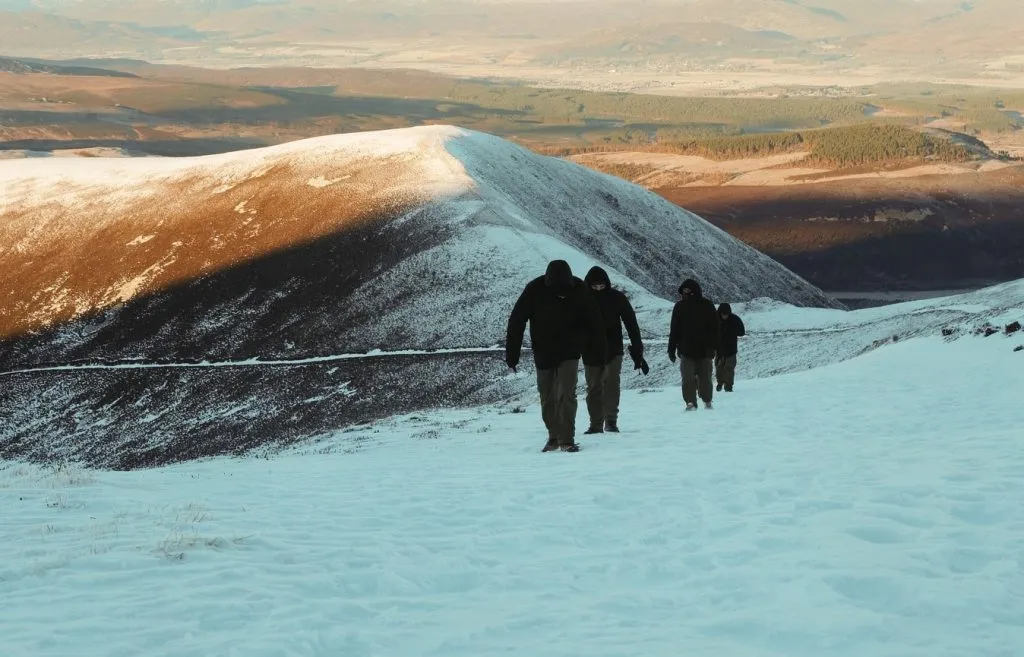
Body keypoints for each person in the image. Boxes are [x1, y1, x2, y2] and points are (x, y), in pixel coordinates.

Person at [505, 260, 606, 452]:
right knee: (547, 396)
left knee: (567, 393)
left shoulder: (580, 289)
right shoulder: (534, 289)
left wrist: (600, 353)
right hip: (543, 350)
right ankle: (554, 435)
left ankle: (566, 439)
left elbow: (595, 323)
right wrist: (512, 354)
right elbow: (517, 320)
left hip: (570, 350)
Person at [581, 266, 647, 434]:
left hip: (613, 349)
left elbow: (631, 323)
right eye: (594, 286)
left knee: (611, 384)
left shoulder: (617, 298)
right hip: (590, 349)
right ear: (588, 285)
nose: (598, 289)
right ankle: (595, 424)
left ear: (607, 284)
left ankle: (611, 420)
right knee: (593, 387)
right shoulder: (581, 299)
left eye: (601, 286)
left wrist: (637, 349)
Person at [667, 278, 719, 411]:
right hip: (686, 349)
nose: (686, 293)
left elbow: (715, 328)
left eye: (688, 291)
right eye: (683, 291)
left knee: (705, 378)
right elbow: (675, 329)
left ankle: (707, 400)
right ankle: (690, 402)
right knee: (687, 378)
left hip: (705, 349)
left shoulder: (707, 305)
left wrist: (715, 347)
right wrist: (671, 349)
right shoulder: (679, 306)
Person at [715, 303, 745, 392]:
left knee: (729, 368)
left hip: (731, 348)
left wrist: (730, 331)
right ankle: (720, 383)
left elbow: (742, 332)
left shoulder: (735, 319)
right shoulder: (714, 319)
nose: (725, 316)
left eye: (726, 314)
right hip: (719, 349)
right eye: (723, 314)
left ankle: (728, 386)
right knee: (719, 368)